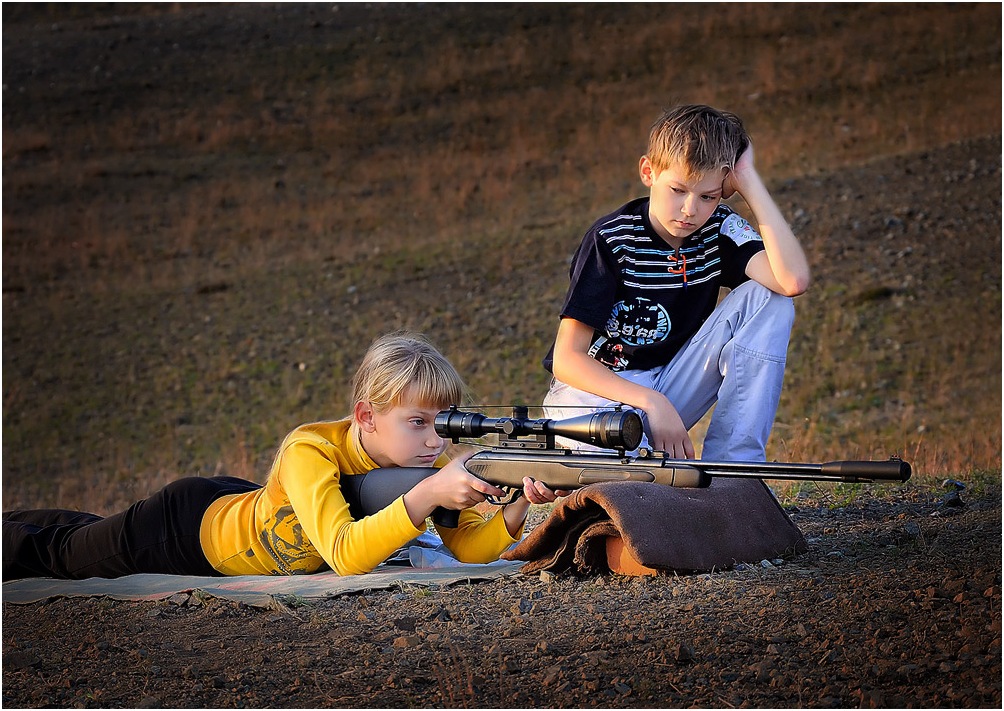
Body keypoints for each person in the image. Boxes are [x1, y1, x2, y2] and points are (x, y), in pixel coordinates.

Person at [3, 332, 562, 580]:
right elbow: (344, 554)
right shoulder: (310, 447)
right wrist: (425, 498)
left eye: (441, 425)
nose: (435, 441)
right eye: (417, 424)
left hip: (244, 503)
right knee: (66, 556)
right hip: (187, 532)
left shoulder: (429, 467)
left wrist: (514, 507)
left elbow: (468, 547)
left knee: (87, 533)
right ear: (365, 417)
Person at [542, 104, 810, 462]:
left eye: (708, 196)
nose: (690, 210)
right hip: (594, 396)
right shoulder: (612, 238)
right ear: (648, 172)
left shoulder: (718, 231)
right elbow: (567, 359)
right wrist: (653, 403)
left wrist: (749, 180)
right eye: (678, 190)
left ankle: (735, 467)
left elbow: (791, 280)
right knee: (634, 482)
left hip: (669, 385)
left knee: (771, 298)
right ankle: (612, 464)